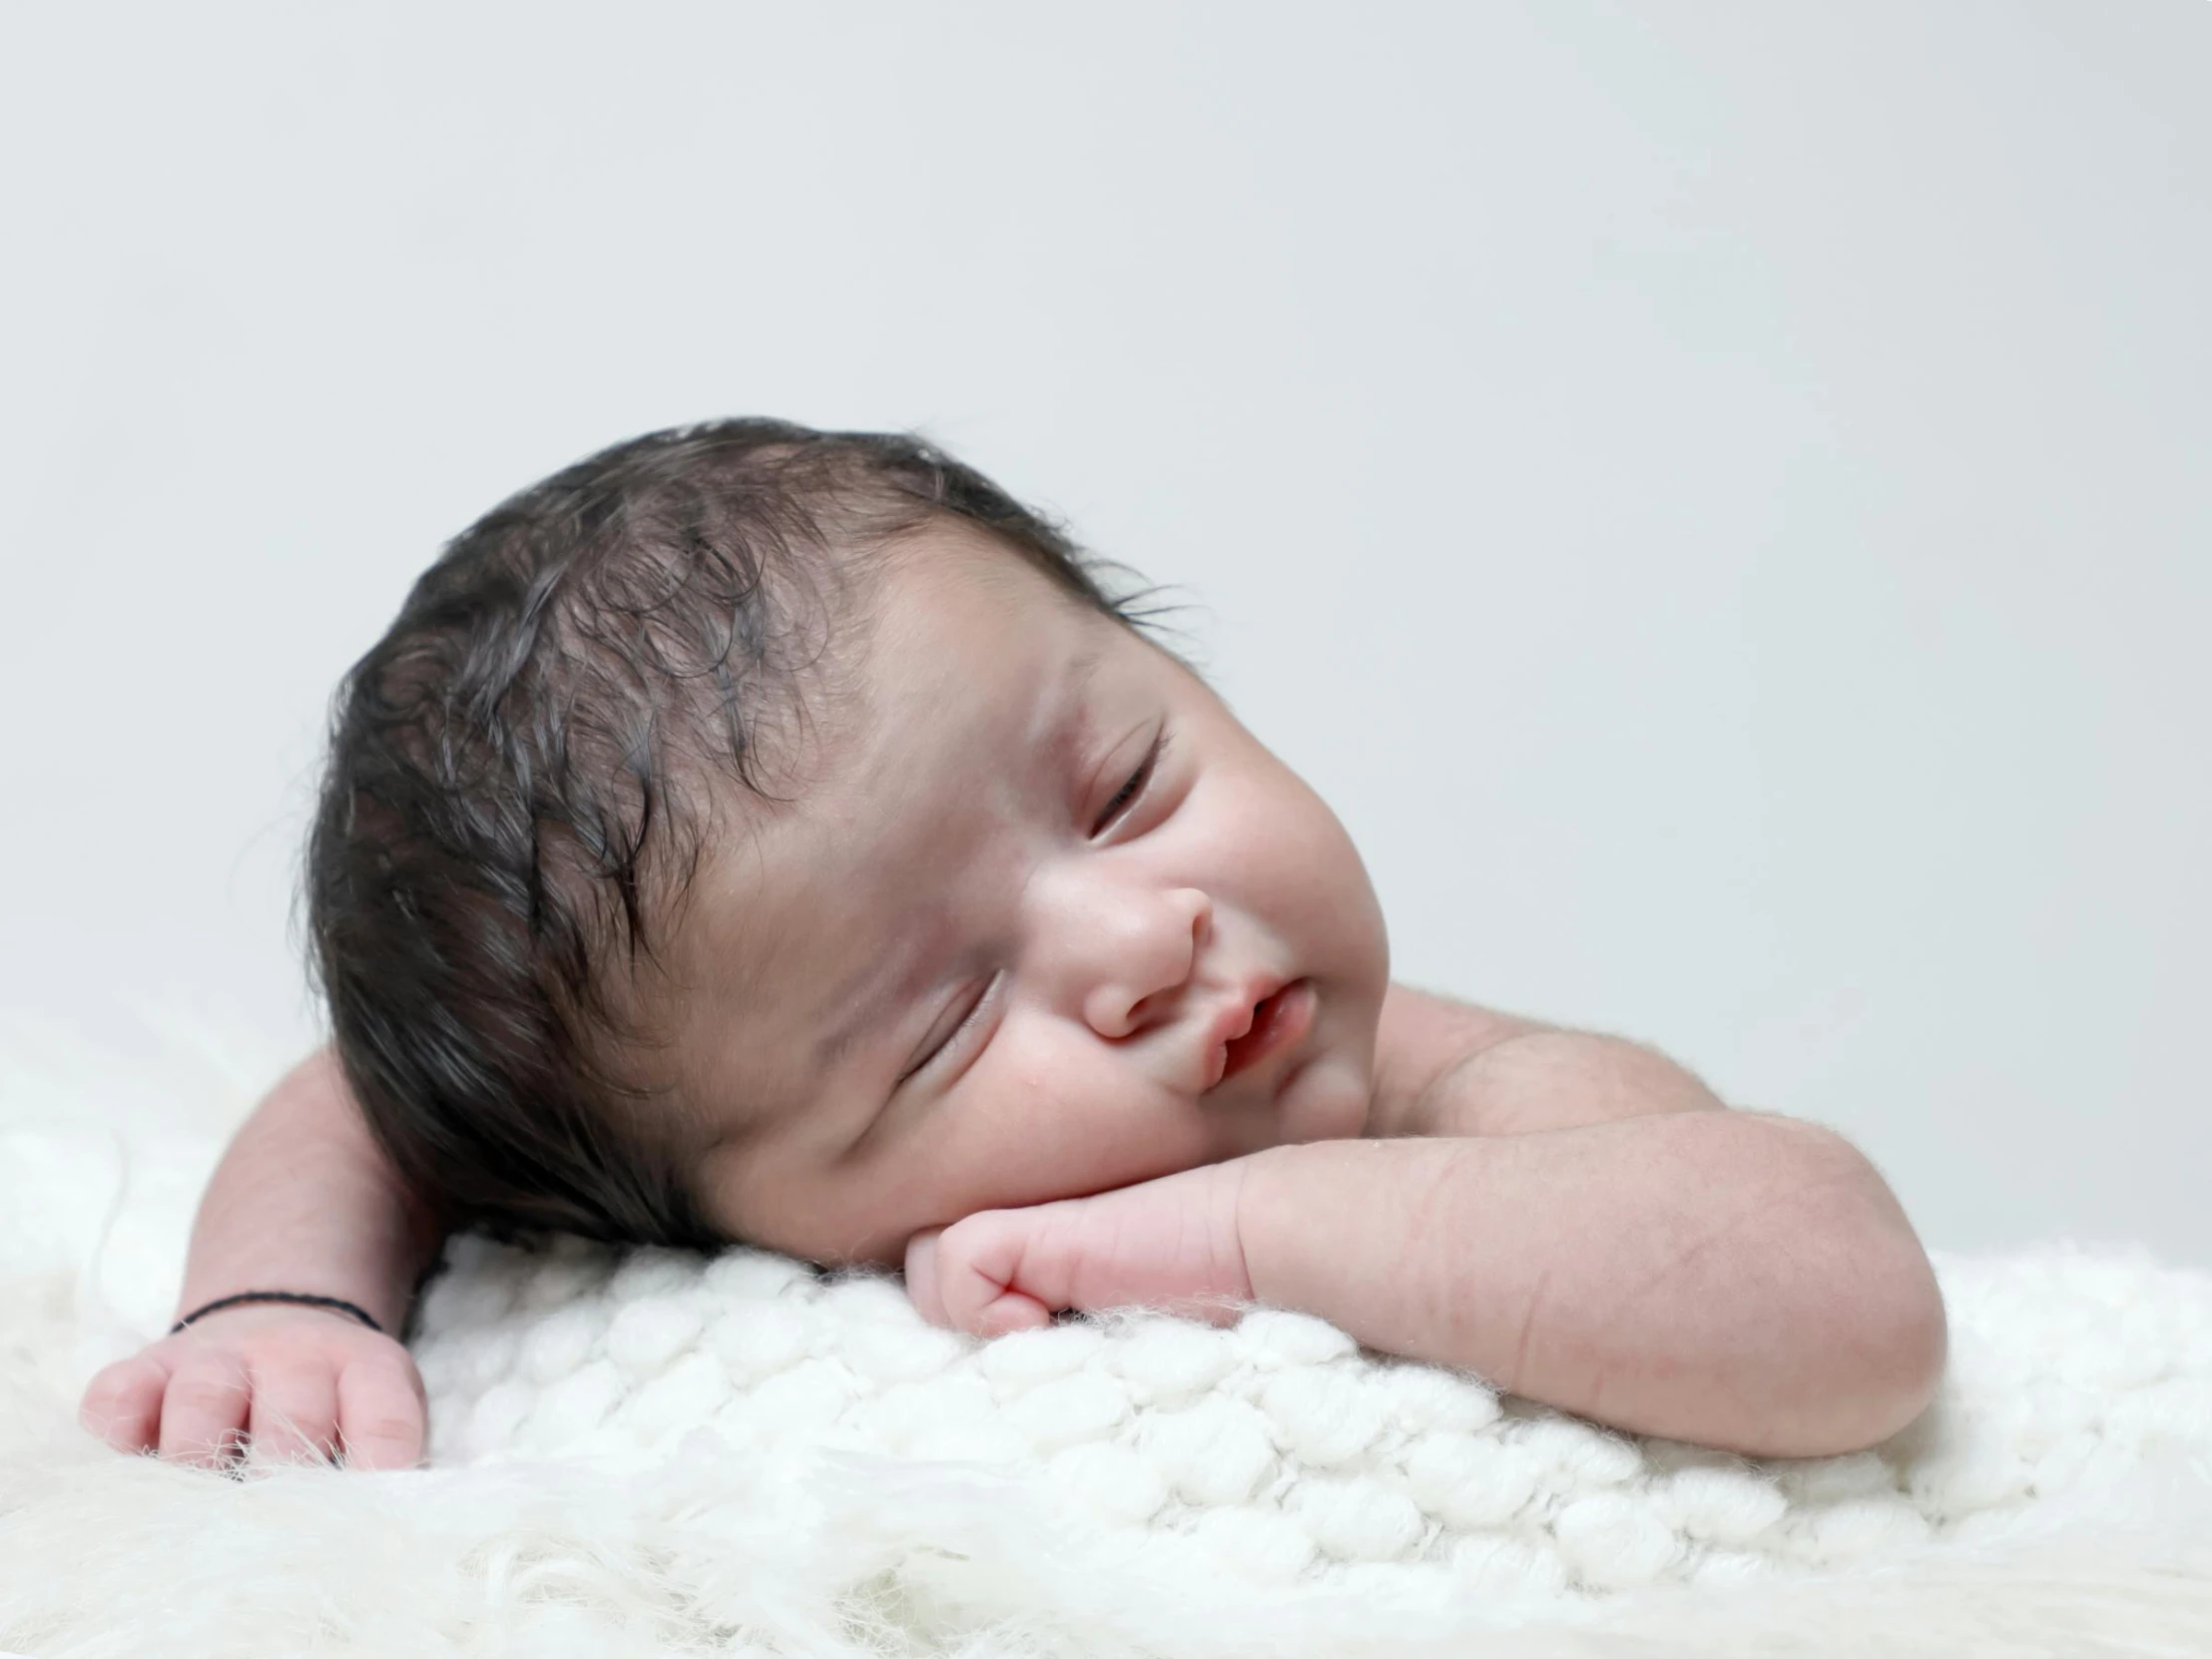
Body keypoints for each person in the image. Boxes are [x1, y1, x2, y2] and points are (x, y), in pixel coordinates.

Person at [77, 419, 1947, 1473]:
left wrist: (1212, 1235)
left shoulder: (1469, 1085)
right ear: (718, 1208)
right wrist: (279, 1305)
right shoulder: (638, 1162)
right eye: (952, 1014)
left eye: (1128, 780)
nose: (1144, 940)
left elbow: (1846, 1306)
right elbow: (362, 1101)